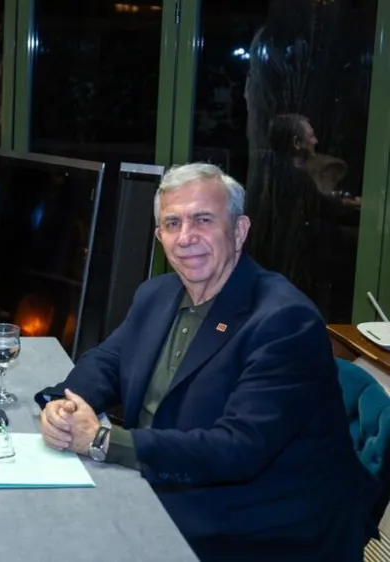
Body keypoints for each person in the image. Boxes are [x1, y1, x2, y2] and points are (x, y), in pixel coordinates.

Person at [35, 162, 376, 561]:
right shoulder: (157, 294)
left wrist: (102, 441)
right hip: (171, 479)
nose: (186, 237)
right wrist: (67, 405)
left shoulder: (284, 320)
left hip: (257, 520)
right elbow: (108, 361)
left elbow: (238, 449)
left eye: (203, 220)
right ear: (160, 236)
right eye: (172, 223)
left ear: (239, 230)